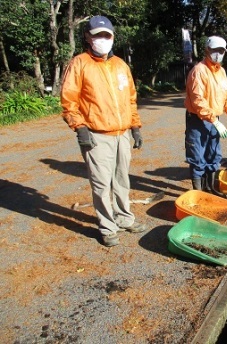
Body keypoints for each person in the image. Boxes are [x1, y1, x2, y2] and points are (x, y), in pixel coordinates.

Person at [61, 15, 146, 247]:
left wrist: (135, 126)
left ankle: (124, 218)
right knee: (101, 184)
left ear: (113, 37)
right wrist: (79, 127)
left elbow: (130, 99)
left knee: (122, 180)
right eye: (97, 35)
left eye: (106, 35)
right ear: (88, 37)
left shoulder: (120, 65)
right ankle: (108, 227)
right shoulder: (79, 63)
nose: (102, 39)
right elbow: (69, 100)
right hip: (96, 136)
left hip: (122, 135)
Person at [184, 35, 227, 194]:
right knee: (198, 158)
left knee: (213, 155)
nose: (218, 54)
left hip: (214, 120)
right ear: (207, 50)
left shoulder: (221, 72)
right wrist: (214, 121)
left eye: (221, 51)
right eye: (215, 50)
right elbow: (198, 100)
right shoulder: (199, 71)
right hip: (198, 120)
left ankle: (210, 188)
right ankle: (199, 192)